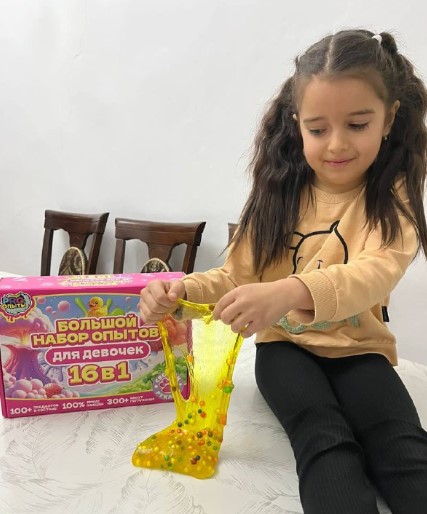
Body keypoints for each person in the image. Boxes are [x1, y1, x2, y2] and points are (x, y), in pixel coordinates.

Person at [139, 29, 427, 514]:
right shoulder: (278, 192)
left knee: (403, 448)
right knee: (324, 438)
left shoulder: (391, 195)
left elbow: (375, 273)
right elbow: (235, 277)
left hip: (360, 348)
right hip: (285, 349)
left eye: (357, 124)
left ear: (389, 118)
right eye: (318, 129)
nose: (337, 144)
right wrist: (179, 289)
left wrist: (288, 291)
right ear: (297, 126)